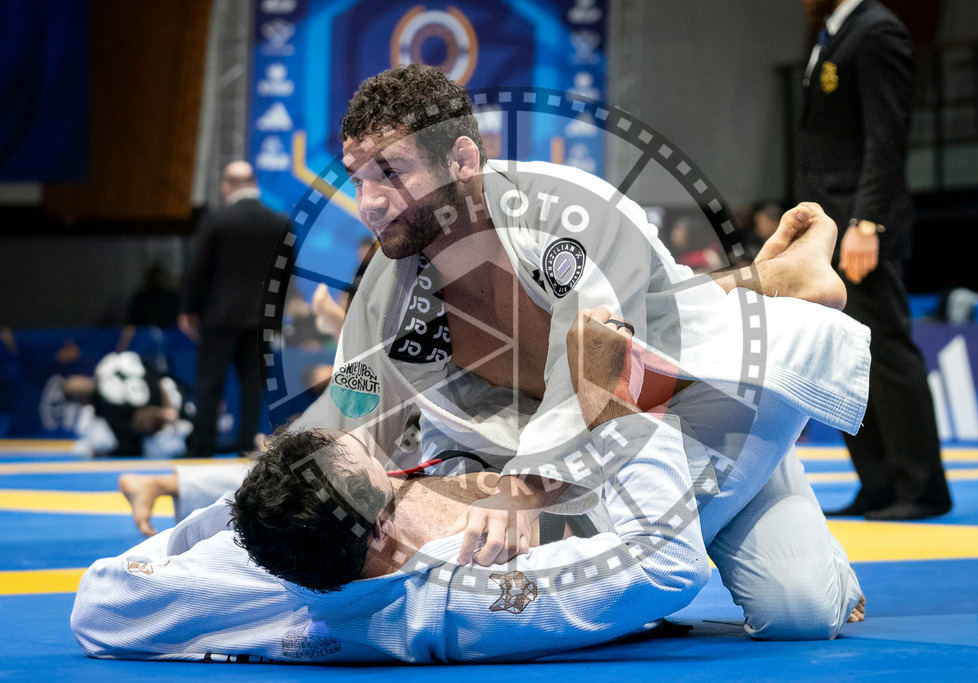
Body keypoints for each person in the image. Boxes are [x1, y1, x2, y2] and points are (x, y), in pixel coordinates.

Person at [72, 311, 863, 663]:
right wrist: (610, 404)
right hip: (667, 467)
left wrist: (237, 512)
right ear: (381, 538)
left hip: (545, 433)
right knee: (797, 605)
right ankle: (770, 474)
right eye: (386, 485)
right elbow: (668, 563)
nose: (398, 472)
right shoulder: (465, 590)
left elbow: (99, 600)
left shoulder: (261, 575)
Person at [796, 0, 952, 520]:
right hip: (829, 222)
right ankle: (879, 482)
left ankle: (922, 486)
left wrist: (868, 223)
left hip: (860, 226)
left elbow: (886, 135)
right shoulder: (831, 35)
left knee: (883, 351)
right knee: (841, 358)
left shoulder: (877, 31)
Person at [179, 161, 291, 458]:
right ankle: (246, 444)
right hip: (260, 319)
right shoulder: (278, 222)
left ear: (227, 186)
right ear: (253, 182)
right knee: (253, 385)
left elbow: (198, 268)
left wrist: (188, 308)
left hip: (220, 317)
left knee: (209, 383)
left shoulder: (217, 220)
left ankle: (202, 445)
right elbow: (285, 275)